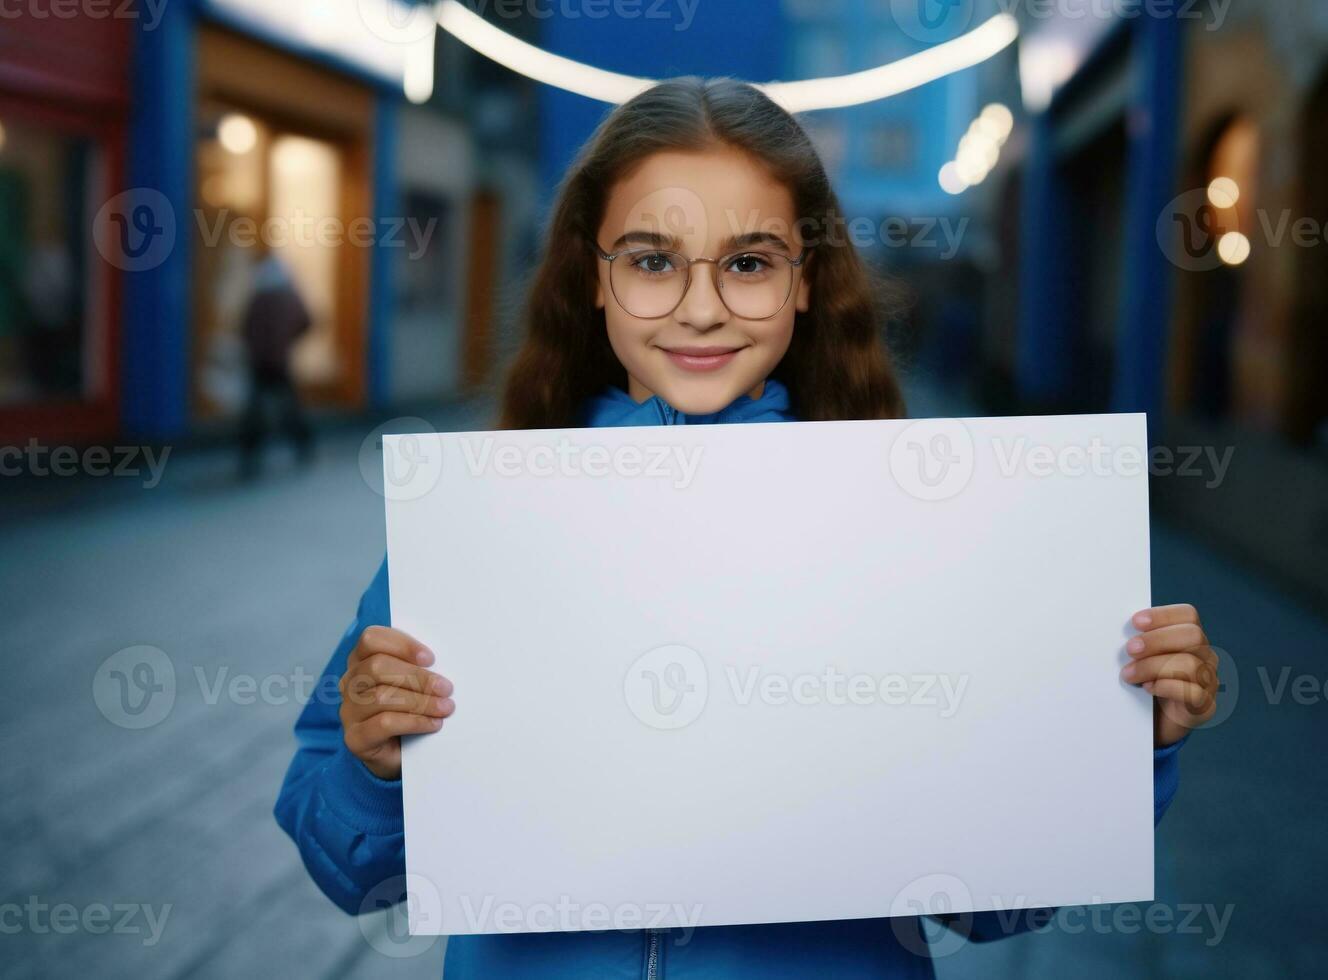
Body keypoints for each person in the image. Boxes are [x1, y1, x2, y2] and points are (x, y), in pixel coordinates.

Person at [274, 78, 1220, 978]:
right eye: (651, 260)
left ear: (805, 281)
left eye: (750, 263)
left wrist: (1122, 743)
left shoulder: (917, 532)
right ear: (591, 278)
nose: (700, 306)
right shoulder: (478, 530)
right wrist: (370, 766)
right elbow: (350, 869)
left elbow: (995, 903)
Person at [238, 251, 314, 479]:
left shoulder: (257, 298)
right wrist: (288, 342)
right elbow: (306, 321)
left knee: (255, 412)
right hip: (279, 362)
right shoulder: (288, 296)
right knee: (288, 408)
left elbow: (245, 327)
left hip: (259, 362)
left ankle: (250, 456)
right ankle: (303, 446)